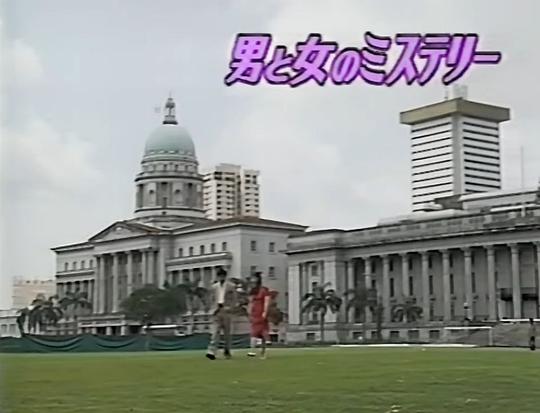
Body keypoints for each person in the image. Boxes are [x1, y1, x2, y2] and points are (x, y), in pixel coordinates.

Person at [206, 267, 237, 360]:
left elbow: (234, 299)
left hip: (226, 310)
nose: (221, 278)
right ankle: (212, 351)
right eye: (219, 276)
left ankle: (227, 350)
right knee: (215, 332)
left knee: (227, 333)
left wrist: (230, 307)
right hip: (217, 310)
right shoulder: (214, 287)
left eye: (222, 276)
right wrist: (212, 309)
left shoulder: (231, 286)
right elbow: (212, 298)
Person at [247, 272, 271, 359]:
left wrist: (265, 312)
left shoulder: (263, 290)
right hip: (255, 313)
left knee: (261, 331)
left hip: (261, 312)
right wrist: (249, 312)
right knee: (254, 332)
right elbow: (250, 302)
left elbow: (267, 301)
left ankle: (262, 351)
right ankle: (253, 350)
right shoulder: (252, 291)